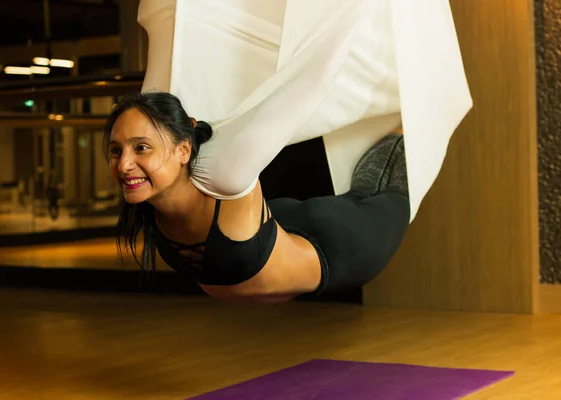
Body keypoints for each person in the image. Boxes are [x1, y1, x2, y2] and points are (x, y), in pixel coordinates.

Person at [103, 92, 409, 303]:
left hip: (343, 244)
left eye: (141, 148)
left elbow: (297, 98)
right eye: (116, 150)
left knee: (406, 142)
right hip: (288, 226)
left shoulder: (228, 177)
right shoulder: (151, 201)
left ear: (183, 150)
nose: (124, 164)